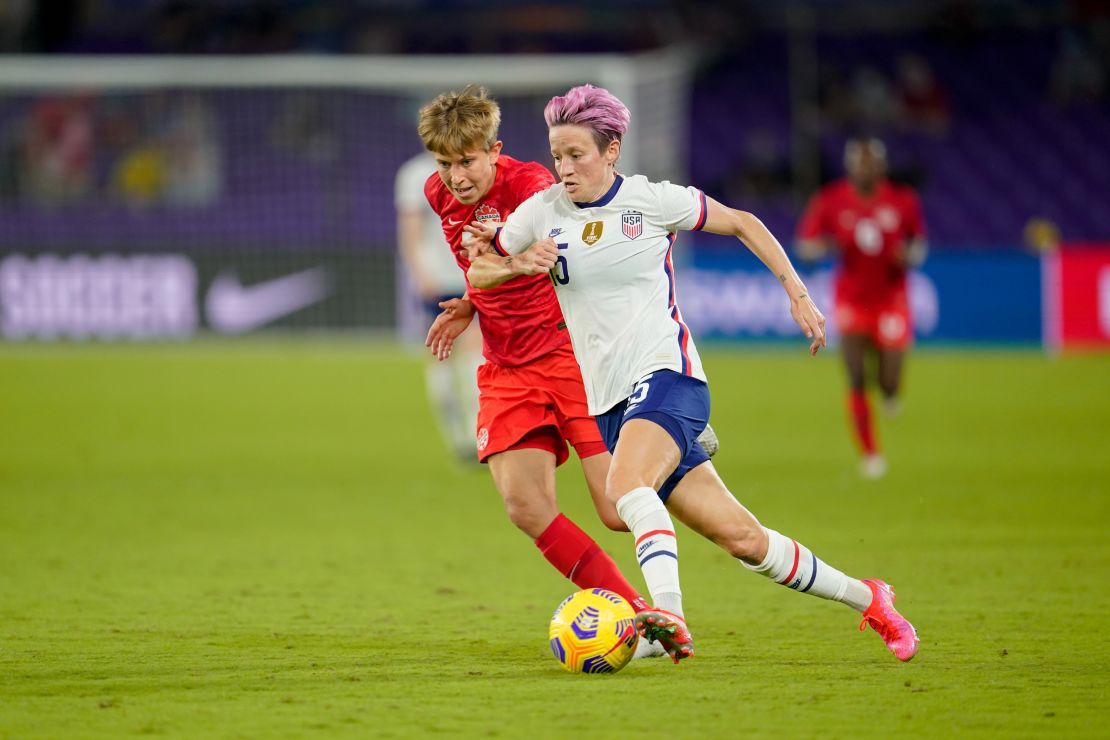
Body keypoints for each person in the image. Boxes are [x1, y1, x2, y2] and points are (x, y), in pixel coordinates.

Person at [464, 84, 919, 664]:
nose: (564, 167)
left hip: (668, 374)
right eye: (556, 154)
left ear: (612, 151)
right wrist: (515, 264)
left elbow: (745, 222)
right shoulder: (543, 211)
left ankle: (669, 618)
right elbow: (483, 267)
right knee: (744, 540)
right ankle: (872, 599)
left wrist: (798, 294)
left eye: (577, 154)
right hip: (607, 400)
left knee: (625, 488)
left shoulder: (654, 201)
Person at [417, 85, 721, 661]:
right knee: (525, 507)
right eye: (445, 164)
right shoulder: (439, 195)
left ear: (495, 149)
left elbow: (560, 250)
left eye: (467, 162)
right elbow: (478, 267)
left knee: (614, 510)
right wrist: (468, 302)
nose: (455, 177)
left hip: (570, 356)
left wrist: (517, 263)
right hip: (506, 366)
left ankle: (678, 440)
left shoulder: (535, 186)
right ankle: (644, 620)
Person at [796, 138, 927, 479]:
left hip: (891, 300)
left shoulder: (902, 201)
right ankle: (871, 454)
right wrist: (826, 246)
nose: (866, 169)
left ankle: (891, 392)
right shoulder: (831, 200)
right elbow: (805, 246)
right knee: (855, 375)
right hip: (852, 300)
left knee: (889, 380)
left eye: (872, 164)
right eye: (860, 163)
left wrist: (906, 256)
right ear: (851, 166)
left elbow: (919, 247)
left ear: (882, 167)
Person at [395, 150, 482, 462]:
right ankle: (465, 439)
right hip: (446, 277)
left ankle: (469, 438)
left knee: (463, 354)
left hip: (469, 273)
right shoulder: (417, 173)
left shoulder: (415, 172)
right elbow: (411, 231)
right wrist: (419, 273)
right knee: (449, 355)